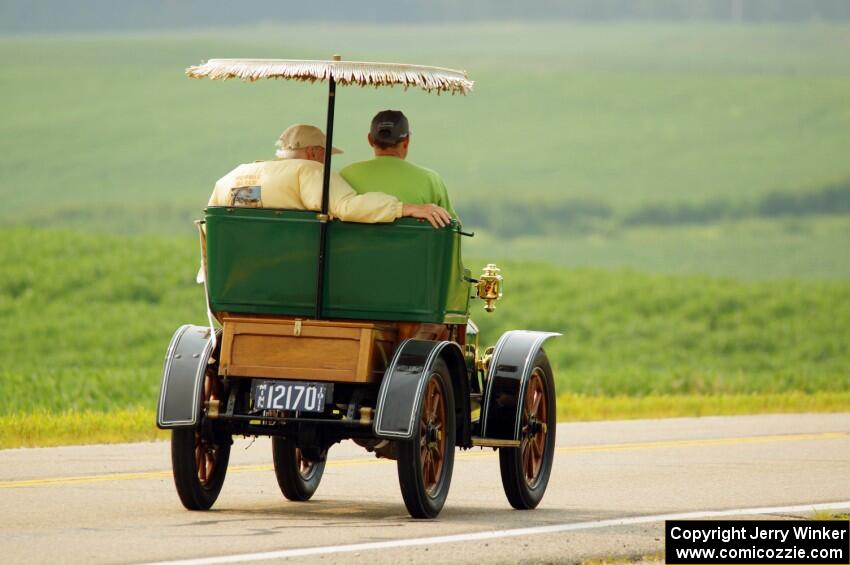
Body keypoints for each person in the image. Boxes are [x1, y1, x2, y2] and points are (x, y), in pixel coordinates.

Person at [208, 124, 451, 228]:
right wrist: (405, 209)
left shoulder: (233, 177)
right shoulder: (309, 170)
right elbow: (347, 207)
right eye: (325, 154)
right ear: (314, 152)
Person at [340, 110, 458, 220]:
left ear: (370, 140)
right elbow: (453, 229)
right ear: (406, 141)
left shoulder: (345, 176)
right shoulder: (431, 180)